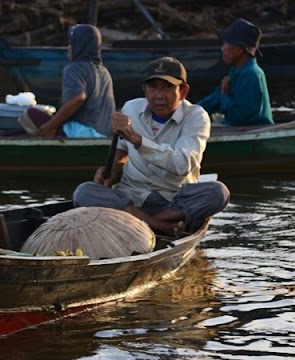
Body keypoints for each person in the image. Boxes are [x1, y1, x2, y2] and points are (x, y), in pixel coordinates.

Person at [73, 56, 230, 237]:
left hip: (174, 199)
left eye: (168, 87)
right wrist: (113, 170)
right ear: (145, 90)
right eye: (153, 87)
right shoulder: (131, 108)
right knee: (83, 192)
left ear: (183, 91)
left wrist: (139, 141)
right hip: (133, 197)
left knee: (218, 192)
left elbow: (183, 164)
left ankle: (142, 221)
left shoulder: (196, 116)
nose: (159, 95)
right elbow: (123, 149)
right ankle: (162, 226)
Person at [22, 24, 116, 138]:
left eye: (71, 44)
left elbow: (78, 99)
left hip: (82, 134)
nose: (69, 47)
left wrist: (51, 125)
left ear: (79, 46)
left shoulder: (75, 68)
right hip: (105, 136)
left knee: (30, 114)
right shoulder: (105, 72)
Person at [197, 18, 274, 126]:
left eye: (226, 43)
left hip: (252, 130)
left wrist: (225, 94)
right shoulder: (236, 70)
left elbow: (237, 116)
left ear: (240, 49)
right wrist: (190, 111)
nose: (222, 49)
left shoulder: (251, 74)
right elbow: (215, 98)